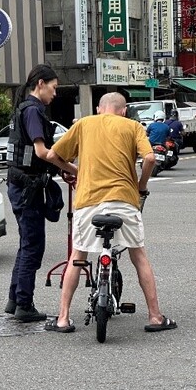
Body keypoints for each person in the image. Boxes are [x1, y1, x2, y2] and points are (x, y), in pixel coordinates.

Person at [45, 92, 177, 334]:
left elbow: (53, 155)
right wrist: (141, 185)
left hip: (88, 202)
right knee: (139, 256)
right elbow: (149, 158)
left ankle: (63, 318)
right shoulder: (133, 126)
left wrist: (77, 170)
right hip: (124, 201)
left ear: (98, 109)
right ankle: (155, 316)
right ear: (123, 110)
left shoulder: (84, 124)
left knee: (78, 255)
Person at [5, 64, 77, 322]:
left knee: (26, 243)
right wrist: (73, 168)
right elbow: (42, 152)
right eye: (54, 88)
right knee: (33, 246)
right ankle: (24, 304)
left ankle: (15, 300)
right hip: (28, 188)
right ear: (40, 84)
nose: (55, 94)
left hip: (19, 184)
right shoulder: (34, 110)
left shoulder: (23, 108)